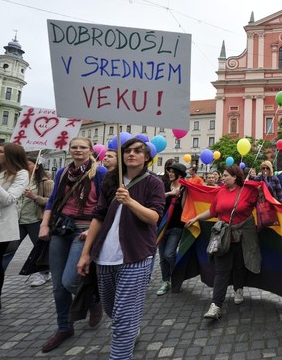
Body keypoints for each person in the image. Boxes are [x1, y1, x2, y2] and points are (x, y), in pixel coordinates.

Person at [77, 137, 165, 359]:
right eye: (127, 150)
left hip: (135, 257)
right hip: (104, 257)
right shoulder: (110, 180)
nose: (131, 154)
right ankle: (131, 327)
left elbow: (154, 217)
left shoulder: (153, 183)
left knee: (122, 320)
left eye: (138, 151)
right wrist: (86, 253)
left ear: (147, 157)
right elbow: (98, 216)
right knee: (111, 309)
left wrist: (130, 202)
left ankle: (121, 352)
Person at [38, 137, 107, 353]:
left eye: (82, 147)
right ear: (69, 150)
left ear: (90, 150)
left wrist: (93, 230)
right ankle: (64, 327)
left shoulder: (100, 173)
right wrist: (44, 224)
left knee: (69, 280)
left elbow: (106, 205)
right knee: (58, 285)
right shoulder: (62, 172)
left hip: (84, 230)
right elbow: (52, 201)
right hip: (61, 227)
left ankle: (94, 300)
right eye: (74, 147)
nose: (78, 150)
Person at [185, 165, 260, 319]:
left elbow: (263, 202)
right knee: (221, 270)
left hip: (243, 236)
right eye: (223, 176)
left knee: (239, 266)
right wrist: (197, 218)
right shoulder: (221, 192)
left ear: (235, 177)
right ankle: (216, 305)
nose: (223, 178)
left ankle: (238, 289)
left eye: (226, 176)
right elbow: (213, 211)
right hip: (222, 237)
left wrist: (261, 190)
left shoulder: (248, 191)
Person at [2, 156, 54, 286]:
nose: (23, 165)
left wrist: (34, 197)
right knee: (9, 248)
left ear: (36, 166)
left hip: (35, 220)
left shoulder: (45, 182)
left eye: (27, 163)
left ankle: (44, 273)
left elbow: (51, 202)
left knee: (40, 249)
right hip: (18, 220)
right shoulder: (19, 180)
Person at [0, 143, 29, 316]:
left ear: (10, 156)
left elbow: (8, 199)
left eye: (0, 152)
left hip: (1, 225)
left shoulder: (21, 174)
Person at [156, 162, 188, 296]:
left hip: (176, 226)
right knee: (162, 256)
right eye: (169, 171)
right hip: (162, 225)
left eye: (172, 171)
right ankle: (165, 281)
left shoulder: (185, 188)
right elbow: (157, 199)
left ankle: (176, 276)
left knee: (169, 254)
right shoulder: (163, 185)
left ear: (179, 174)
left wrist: (179, 195)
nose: (169, 173)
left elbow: (185, 206)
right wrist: (170, 194)